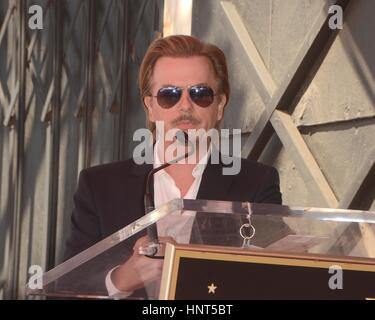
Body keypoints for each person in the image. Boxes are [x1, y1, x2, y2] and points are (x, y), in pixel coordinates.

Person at [64, 35, 282, 298]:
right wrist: (122, 279)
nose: (185, 106)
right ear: (151, 108)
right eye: (169, 95)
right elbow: (69, 288)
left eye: (201, 94)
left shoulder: (257, 183)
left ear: (220, 105)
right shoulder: (98, 186)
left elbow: (273, 284)